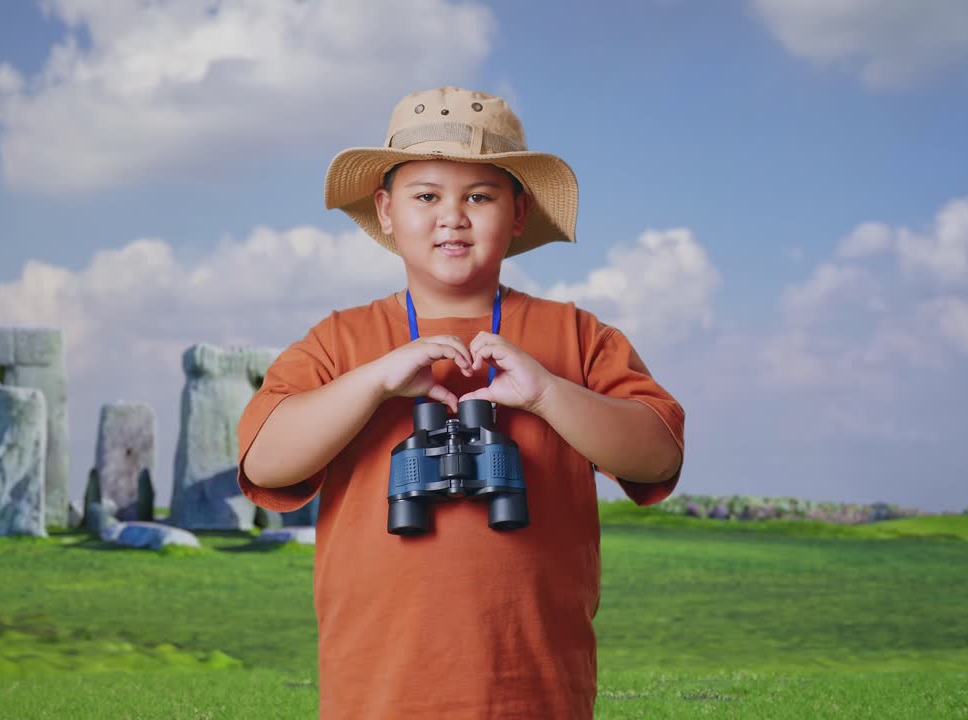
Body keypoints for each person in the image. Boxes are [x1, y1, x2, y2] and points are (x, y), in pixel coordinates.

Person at [237, 86, 685, 719]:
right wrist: (373, 383)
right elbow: (264, 462)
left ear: (519, 213)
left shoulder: (576, 337)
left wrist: (548, 394)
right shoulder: (340, 341)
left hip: (535, 693)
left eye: (479, 196)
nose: (453, 216)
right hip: (377, 694)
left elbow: (658, 455)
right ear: (386, 211)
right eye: (426, 196)